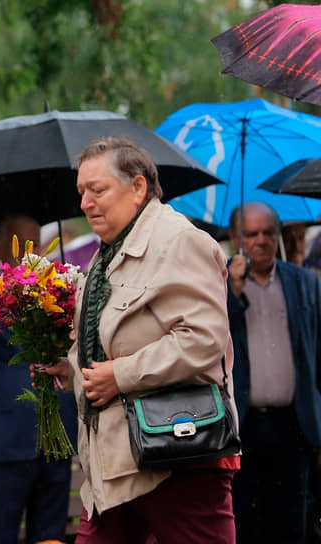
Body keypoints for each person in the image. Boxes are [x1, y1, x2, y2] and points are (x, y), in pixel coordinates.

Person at [35, 137, 237, 543]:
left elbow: (203, 340)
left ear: (139, 187)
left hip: (180, 458)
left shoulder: (179, 240)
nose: (86, 203)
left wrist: (121, 375)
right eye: (81, 192)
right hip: (113, 467)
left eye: (98, 190)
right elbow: (107, 347)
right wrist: (70, 368)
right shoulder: (104, 254)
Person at [0, 214, 78, 544]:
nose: (28, 252)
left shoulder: (59, 298)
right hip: (2, 447)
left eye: (35, 244)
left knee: (51, 535)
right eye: (20, 244)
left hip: (55, 439)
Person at [226, 202, 321, 544]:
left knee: (291, 525)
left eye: (268, 233)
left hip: (293, 426)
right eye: (251, 234)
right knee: (242, 525)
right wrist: (231, 293)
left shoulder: (304, 283)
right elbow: (207, 342)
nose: (261, 241)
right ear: (235, 237)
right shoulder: (218, 282)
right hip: (240, 427)